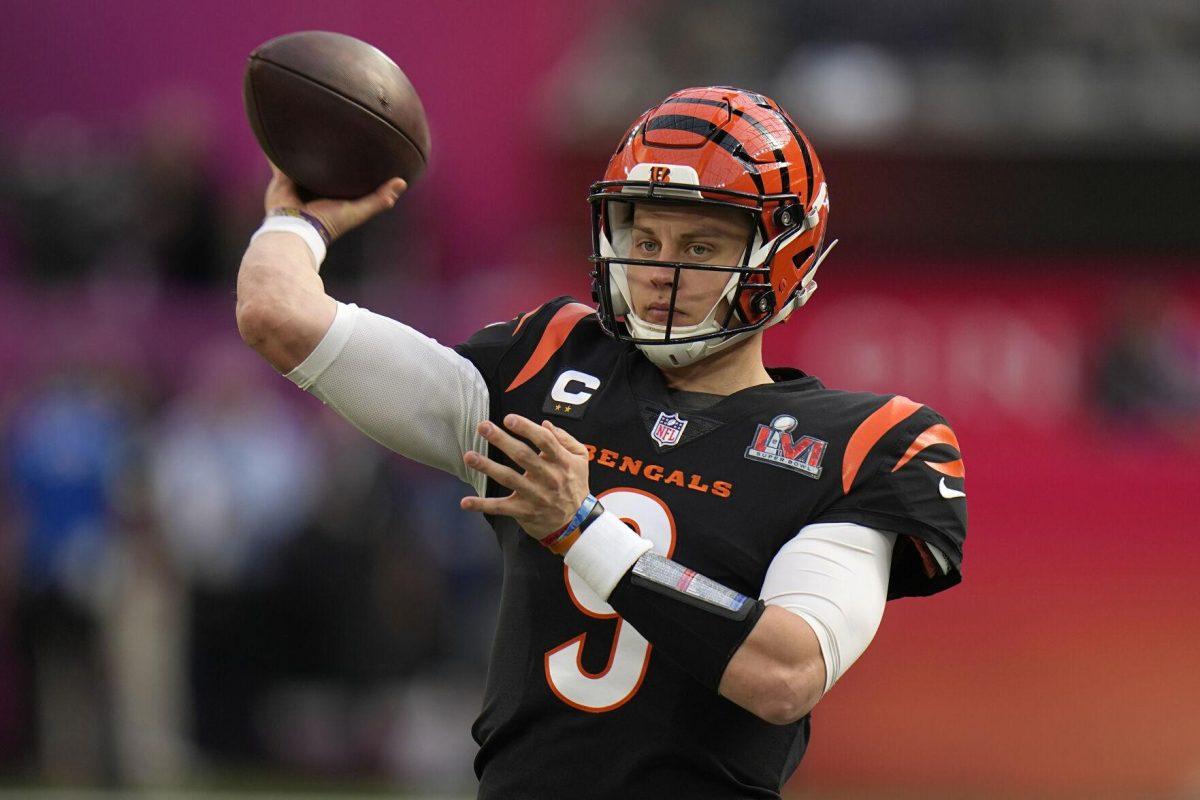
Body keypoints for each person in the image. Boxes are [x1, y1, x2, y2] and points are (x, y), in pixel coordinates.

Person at [235, 86, 967, 799]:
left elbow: (784, 674)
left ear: (785, 254)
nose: (659, 271)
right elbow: (280, 316)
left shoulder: (861, 442)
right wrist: (297, 223)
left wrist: (582, 530)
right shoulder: (547, 361)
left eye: (701, 245)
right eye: (645, 239)